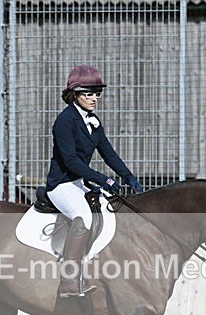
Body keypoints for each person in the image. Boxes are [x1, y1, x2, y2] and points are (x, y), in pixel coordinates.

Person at [46, 64, 143, 297]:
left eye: (97, 93)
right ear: (74, 94)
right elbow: (70, 161)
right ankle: (69, 281)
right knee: (85, 216)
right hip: (61, 184)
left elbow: (108, 153)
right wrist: (104, 180)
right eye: (88, 93)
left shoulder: (93, 121)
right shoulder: (65, 121)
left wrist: (128, 176)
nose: (94, 98)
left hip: (78, 183)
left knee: (109, 212)